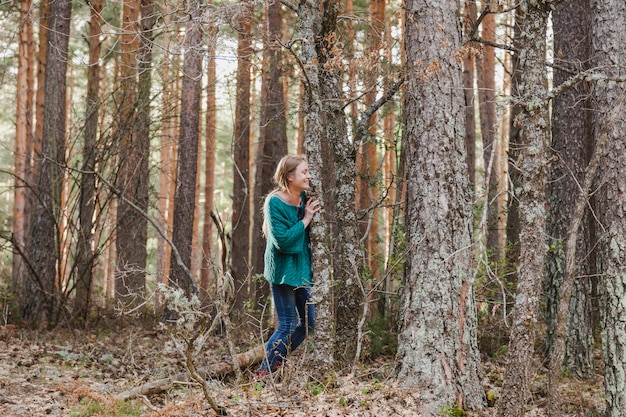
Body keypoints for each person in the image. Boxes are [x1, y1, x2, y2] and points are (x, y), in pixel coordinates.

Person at [255, 154, 321, 379]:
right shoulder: (274, 202)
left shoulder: (305, 197)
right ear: (290, 176)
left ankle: (275, 361)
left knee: (309, 324)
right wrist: (306, 219)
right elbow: (282, 240)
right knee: (286, 325)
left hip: (301, 269)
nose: (309, 176)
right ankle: (264, 372)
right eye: (304, 172)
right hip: (283, 270)